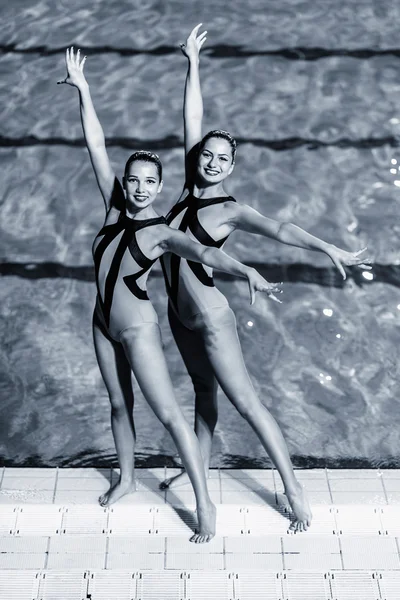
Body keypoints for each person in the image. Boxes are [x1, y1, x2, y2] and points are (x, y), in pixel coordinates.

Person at [57, 47, 278, 543]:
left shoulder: (160, 231)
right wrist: (84, 90)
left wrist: (244, 269)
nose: (138, 188)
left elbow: (204, 253)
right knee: (118, 404)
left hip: (137, 328)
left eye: (148, 182)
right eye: (131, 180)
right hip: (101, 320)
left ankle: (205, 505)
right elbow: (95, 145)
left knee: (169, 414)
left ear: (159, 187)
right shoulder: (114, 211)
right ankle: (129, 478)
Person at [159, 25, 372, 532]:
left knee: (248, 404)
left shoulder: (231, 208)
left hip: (211, 318)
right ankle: (201, 483)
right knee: (203, 399)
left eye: (221, 159)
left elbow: (279, 228)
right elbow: (192, 119)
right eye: (206, 155)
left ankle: (294, 490)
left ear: (233, 166)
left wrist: (326, 246)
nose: (211, 161)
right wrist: (192, 62)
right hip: (178, 315)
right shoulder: (191, 185)